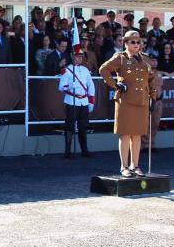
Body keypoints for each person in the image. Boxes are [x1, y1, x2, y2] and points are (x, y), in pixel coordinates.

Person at [99, 31, 160, 177]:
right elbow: (103, 70)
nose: (136, 44)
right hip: (126, 100)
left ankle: (135, 165)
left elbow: (151, 79)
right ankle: (124, 166)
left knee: (137, 134)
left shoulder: (145, 59)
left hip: (141, 100)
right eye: (133, 42)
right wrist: (115, 85)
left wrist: (153, 97)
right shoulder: (120, 58)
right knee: (125, 134)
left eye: (139, 42)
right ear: (125, 43)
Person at [58, 45, 94, 159]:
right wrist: (70, 86)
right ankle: (68, 151)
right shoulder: (67, 70)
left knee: (83, 126)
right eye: (77, 56)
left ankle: (84, 150)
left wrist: (91, 101)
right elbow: (61, 87)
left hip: (84, 101)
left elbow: (91, 86)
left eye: (81, 56)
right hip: (71, 101)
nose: (79, 58)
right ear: (72, 56)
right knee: (70, 126)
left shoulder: (85, 70)